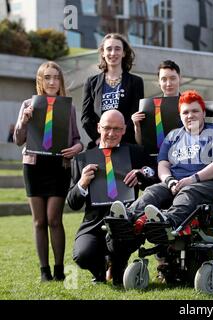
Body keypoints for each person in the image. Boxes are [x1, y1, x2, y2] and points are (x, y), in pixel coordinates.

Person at [112, 90, 213, 235]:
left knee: (188, 191)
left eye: (195, 111)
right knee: (154, 191)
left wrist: (192, 179)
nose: (190, 115)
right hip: (176, 183)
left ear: (203, 114)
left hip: (208, 185)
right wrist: (169, 181)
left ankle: (166, 222)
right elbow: (163, 164)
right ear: (180, 116)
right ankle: (126, 218)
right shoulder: (173, 136)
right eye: (185, 112)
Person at [13, 61, 83, 282]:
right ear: (40, 80)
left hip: (58, 167)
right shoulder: (28, 104)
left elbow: (77, 140)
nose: (52, 82)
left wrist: (76, 149)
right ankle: (44, 272)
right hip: (33, 166)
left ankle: (60, 269)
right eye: (47, 77)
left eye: (56, 77)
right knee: (39, 221)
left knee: (54, 219)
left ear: (60, 81)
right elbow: (18, 139)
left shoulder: (68, 107)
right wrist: (24, 121)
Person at [67, 109, 154, 285]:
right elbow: (73, 202)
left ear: (123, 130)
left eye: (117, 129)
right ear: (99, 128)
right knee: (82, 255)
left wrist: (141, 173)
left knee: (118, 275)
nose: (112, 133)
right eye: (107, 128)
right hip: (94, 222)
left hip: (126, 221)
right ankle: (100, 270)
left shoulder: (135, 152)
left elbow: (153, 173)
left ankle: (118, 265)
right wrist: (82, 183)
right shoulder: (81, 159)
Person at [81, 33, 144, 148]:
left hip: (126, 145)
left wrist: (117, 139)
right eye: (109, 49)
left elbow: (135, 115)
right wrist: (98, 138)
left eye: (117, 49)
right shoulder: (91, 82)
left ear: (124, 53)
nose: (113, 53)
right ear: (103, 53)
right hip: (100, 145)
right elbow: (86, 118)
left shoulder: (136, 82)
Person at [132, 60, 182, 145]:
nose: (168, 83)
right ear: (159, 82)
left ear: (180, 79)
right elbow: (142, 143)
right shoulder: (149, 108)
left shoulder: (191, 104)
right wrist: (137, 126)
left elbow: (196, 134)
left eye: (173, 78)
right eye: (164, 79)